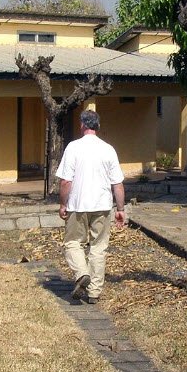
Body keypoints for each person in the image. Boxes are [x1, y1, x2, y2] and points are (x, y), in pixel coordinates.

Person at [56, 109, 125, 304]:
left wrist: (63, 204)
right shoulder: (108, 149)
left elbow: (65, 182)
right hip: (103, 205)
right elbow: (117, 184)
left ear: (82, 125)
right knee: (98, 247)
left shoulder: (73, 148)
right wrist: (120, 209)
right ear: (98, 126)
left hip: (78, 205)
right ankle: (94, 292)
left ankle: (81, 273)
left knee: (73, 242)